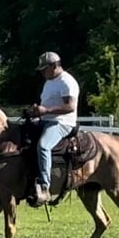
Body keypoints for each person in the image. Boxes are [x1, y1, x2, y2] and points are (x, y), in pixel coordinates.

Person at [26, 51, 80, 206]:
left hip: (62, 122)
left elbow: (70, 107)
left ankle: (44, 187)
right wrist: (35, 111)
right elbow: (47, 104)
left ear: (54, 66)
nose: (42, 72)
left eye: (44, 69)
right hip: (45, 120)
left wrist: (46, 111)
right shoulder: (49, 82)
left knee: (43, 146)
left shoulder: (67, 82)